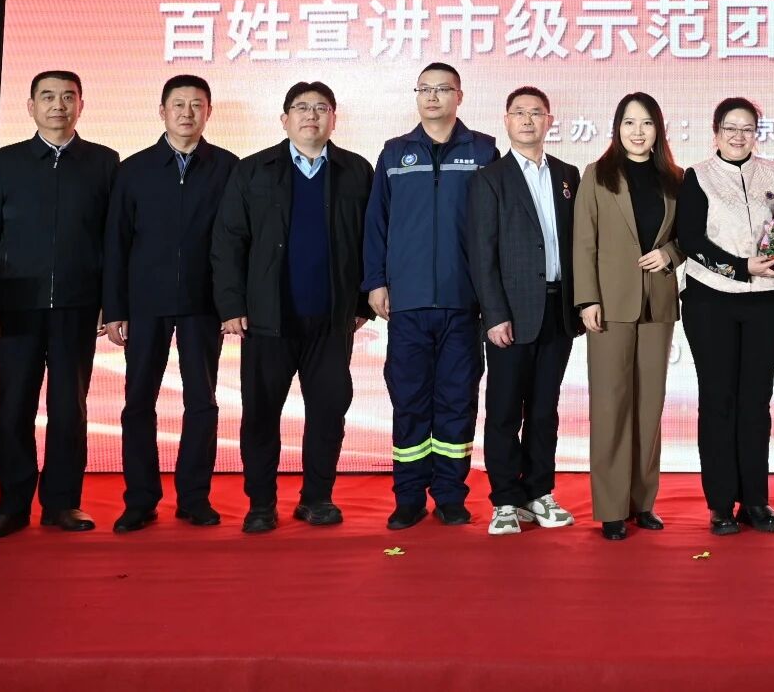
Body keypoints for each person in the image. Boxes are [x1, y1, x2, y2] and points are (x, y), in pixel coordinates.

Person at [211, 81, 374, 534]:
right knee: (261, 414)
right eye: (301, 108)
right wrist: (231, 304)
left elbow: (372, 240)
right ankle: (261, 503)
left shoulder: (356, 171)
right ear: (284, 119)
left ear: (334, 118)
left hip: (332, 320)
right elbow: (228, 242)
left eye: (321, 108)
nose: (311, 116)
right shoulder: (253, 170)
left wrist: (364, 300)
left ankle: (317, 498)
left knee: (328, 412)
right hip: (268, 319)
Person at [0, 70, 118, 540]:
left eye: (68, 97)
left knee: (69, 409)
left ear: (81, 105)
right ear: (31, 106)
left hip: (79, 305)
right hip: (16, 307)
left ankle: (63, 503)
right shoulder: (4, 162)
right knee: (14, 407)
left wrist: (110, 302)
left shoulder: (103, 162)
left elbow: (114, 241)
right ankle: (11, 506)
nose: (58, 105)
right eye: (47, 97)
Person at [364, 62, 499, 530]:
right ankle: (407, 497)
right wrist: (376, 281)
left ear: (460, 96)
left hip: (464, 302)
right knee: (409, 401)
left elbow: (497, 225)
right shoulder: (394, 153)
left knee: (458, 401)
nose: (433, 97)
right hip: (409, 302)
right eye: (425, 89)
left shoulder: (483, 151)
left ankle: (449, 495)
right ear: (416, 95)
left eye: (443, 89)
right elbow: (376, 224)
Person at [102, 74, 239, 532]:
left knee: (202, 402)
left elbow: (237, 242)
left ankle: (194, 497)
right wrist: (114, 308)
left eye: (196, 104)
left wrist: (231, 303)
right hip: (145, 303)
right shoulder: (134, 169)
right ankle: (140, 500)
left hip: (204, 303)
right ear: (161, 112)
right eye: (178, 104)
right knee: (138, 402)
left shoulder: (228, 168)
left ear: (208, 112)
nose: (187, 113)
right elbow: (116, 243)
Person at [466, 86, 581, 536]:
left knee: (545, 410)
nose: (529, 120)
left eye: (537, 113)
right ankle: (505, 499)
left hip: (558, 309)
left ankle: (539, 492)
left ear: (549, 120)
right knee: (503, 409)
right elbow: (482, 253)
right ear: (507, 120)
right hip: (510, 314)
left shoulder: (568, 175)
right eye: (520, 113)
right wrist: (494, 314)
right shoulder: (490, 178)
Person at [675, 96, 774, 535]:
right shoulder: (697, 176)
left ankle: (755, 500)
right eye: (730, 128)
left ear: (756, 133)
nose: (739, 136)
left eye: (747, 129)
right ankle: (721, 503)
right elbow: (691, 240)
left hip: (767, 300)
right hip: (712, 300)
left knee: (756, 402)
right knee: (718, 399)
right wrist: (741, 268)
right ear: (716, 132)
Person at [573, 92, 683, 540]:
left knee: (649, 407)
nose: (638, 132)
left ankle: (643, 503)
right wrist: (587, 299)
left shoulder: (675, 178)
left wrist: (670, 253)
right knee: (611, 406)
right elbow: (584, 241)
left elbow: (688, 234)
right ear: (617, 128)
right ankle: (612, 508)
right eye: (629, 122)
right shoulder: (597, 175)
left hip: (658, 305)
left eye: (647, 123)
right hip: (609, 306)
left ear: (658, 130)